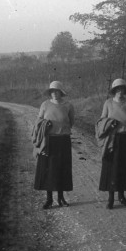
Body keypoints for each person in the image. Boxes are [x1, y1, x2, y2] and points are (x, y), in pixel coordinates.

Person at [99, 78, 126, 210]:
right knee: (112, 168)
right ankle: (111, 198)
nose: (120, 92)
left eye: (122, 89)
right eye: (118, 89)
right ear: (114, 91)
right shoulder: (108, 103)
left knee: (124, 168)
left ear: (125, 91)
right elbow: (101, 122)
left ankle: (121, 197)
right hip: (112, 140)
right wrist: (109, 124)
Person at [34, 81, 75, 209]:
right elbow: (38, 121)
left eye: (57, 91)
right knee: (48, 169)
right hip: (48, 141)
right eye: (52, 92)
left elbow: (71, 122)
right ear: (50, 93)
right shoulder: (45, 105)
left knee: (62, 169)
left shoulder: (68, 105)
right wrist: (45, 125)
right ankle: (49, 199)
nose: (54, 94)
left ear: (61, 93)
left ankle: (61, 198)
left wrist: (61, 130)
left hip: (63, 140)